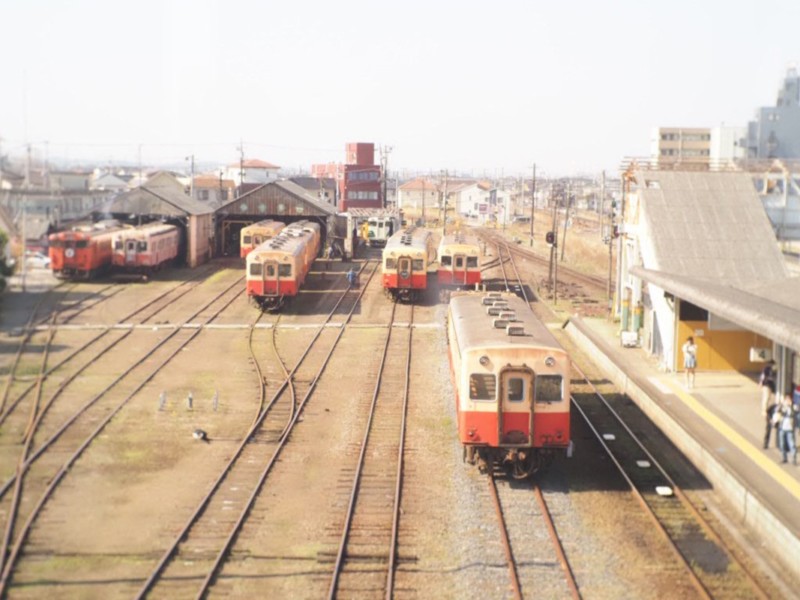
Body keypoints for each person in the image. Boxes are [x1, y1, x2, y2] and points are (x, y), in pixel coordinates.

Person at [775, 394, 798, 465]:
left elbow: (795, 412)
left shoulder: (794, 406)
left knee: (792, 444)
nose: (787, 401)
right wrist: (782, 405)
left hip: (790, 429)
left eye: (789, 399)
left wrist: (790, 405)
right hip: (782, 428)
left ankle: (794, 458)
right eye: (786, 399)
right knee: (782, 444)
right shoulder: (782, 406)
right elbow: (777, 411)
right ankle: (784, 458)